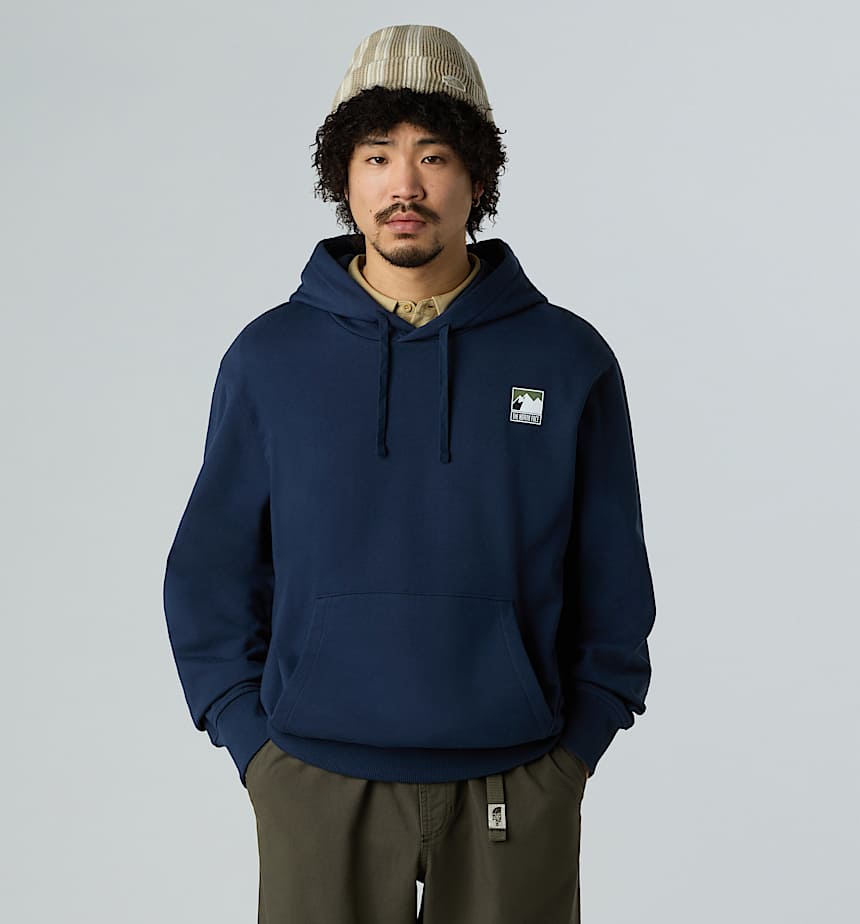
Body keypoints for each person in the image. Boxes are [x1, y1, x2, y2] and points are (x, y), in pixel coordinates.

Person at [163, 23, 656, 924]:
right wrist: (256, 749)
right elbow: (210, 574)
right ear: (343, 177)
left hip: (516, 780)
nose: (405, 186)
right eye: (376, 156)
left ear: (477, 177)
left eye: (433, 155)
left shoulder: (566, 358)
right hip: (315, 783)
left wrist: (572, 757)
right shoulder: (270, 360)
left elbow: (614, 583)